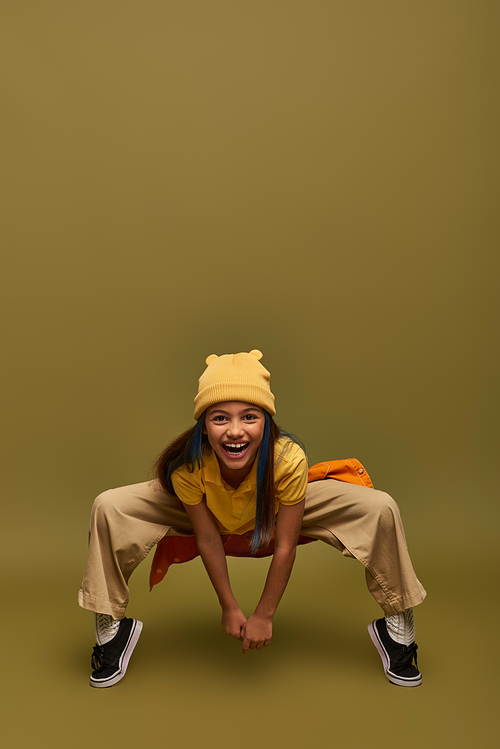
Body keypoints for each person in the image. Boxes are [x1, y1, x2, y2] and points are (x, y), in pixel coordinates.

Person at [78, 350, 426, 689]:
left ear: (266, 423)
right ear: (203, 428)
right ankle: (112, 624)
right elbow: (209, 538)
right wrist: (229, 607)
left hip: (274, 509)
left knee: (379, 506)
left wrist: (264, 614)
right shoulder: (187, 466)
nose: (234, 431)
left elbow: (286, 544)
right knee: (109, 505)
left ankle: (396, 620)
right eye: (220, 418)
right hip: (206, 509)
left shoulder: (287, 459)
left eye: (249, 416)